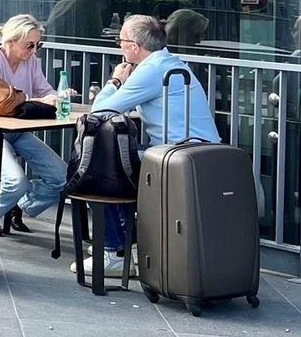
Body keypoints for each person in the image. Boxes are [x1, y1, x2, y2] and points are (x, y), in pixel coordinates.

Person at [80, 14, 220, 275]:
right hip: (199, 152)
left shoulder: (150, 70)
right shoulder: (170, 62)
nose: (118, 47)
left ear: (135, 46)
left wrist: (115, 81)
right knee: (120, 163)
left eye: (120, 41)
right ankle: (125, 241)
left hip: (177, 156)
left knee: (97, 170)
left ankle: (112, 250)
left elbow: (100, 110)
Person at [0, 15, 67, 233]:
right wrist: (40, 101)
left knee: (63, 177)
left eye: (37, 45)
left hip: (18, 130)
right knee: (15, 181)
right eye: (29, 45)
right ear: (11, 41)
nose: (34, 50)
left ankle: (19, 203)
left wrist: (59, 96)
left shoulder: (31, 61)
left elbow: (44, 89)